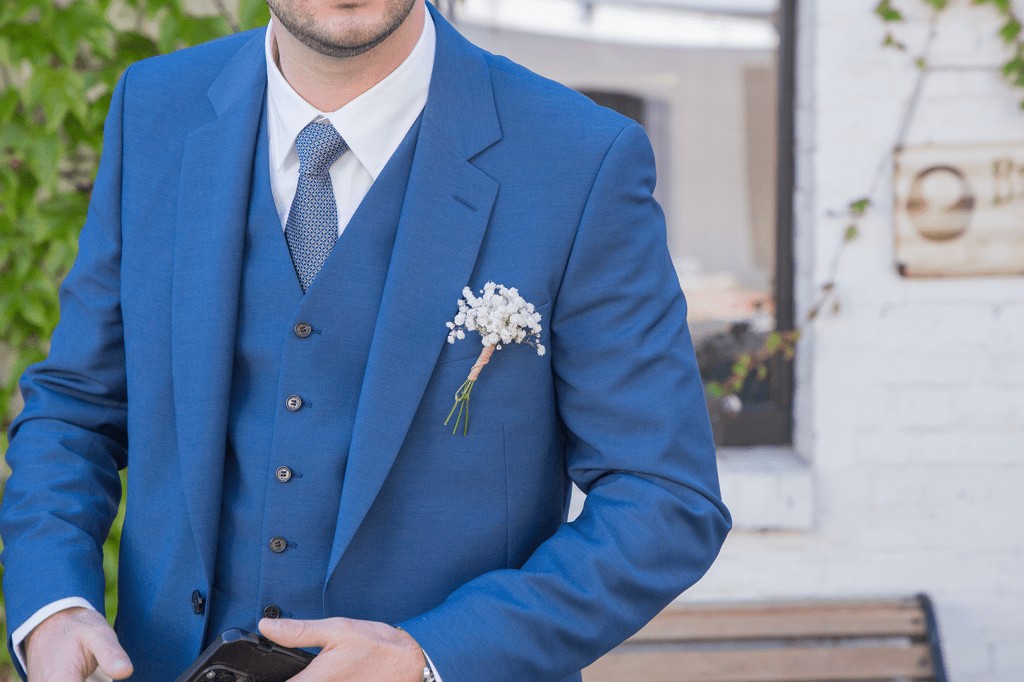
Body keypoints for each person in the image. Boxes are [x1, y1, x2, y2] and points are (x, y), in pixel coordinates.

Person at [0, 0, 731, 680]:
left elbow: (665, 498)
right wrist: (53, 602)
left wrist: (430, 654)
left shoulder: (579, 158)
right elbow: (76, 409)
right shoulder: (155, 108)